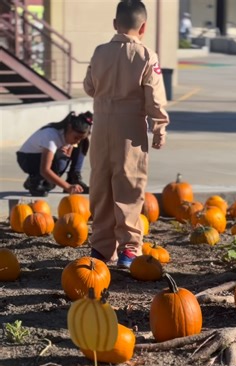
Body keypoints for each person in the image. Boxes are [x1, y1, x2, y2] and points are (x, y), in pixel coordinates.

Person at [83, 0, 169, 268]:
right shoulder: (146, 56)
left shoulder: (99, 53)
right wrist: (159, 126)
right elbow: (153, 98)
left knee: (101, 187)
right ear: (143, 27)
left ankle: (100, 248)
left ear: (114, 24)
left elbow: (88, 87)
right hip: (130, 129)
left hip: (100, 130)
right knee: (129, 188)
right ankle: (129, 250)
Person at [16, 111, 93, 197]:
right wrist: (67, 187)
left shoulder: (68, 133)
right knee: (60, 163)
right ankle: (34, 181)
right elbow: (45, 170)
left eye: (80, 138)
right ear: (69, 127)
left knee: (83, 143)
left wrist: (70, 147)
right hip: (28, 159)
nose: (77, 141)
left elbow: (75, 141)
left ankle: (73, 177)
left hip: (43, 155)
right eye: (76, 137)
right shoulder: (51, 136)